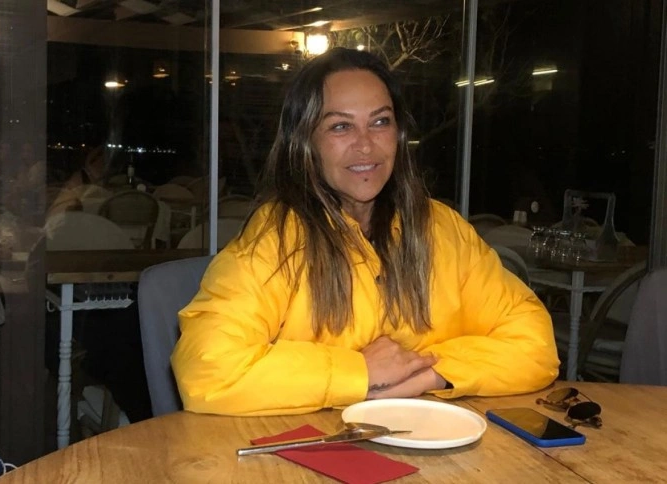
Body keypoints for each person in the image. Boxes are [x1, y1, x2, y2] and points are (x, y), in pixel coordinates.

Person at [171, 47, 559, 416]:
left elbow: (535, 343)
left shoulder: (442, 229)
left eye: (380, 122)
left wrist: (432, 374)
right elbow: (207, 367)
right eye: (341, 126)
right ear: (305, 142)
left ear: (399, 134)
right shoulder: (276, 238)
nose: (366, 145)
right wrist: (360, 372)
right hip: (310, 446)